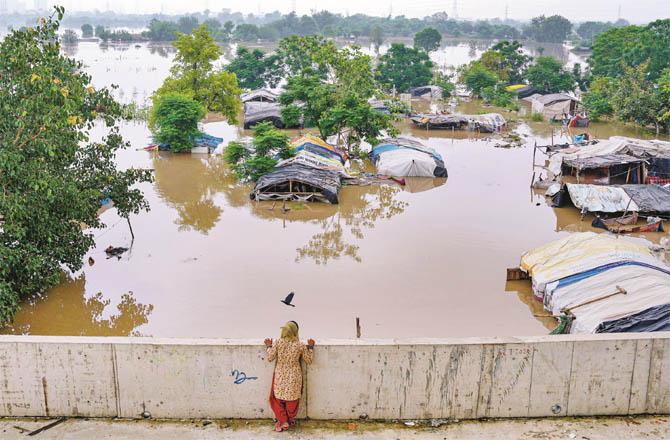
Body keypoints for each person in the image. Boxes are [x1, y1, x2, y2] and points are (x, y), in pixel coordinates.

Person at [264, 321, 314, 432]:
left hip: (280, 375)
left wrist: (268, 346)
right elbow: (309, 360)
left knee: (276, 399)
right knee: (292, 399)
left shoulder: (278, 342)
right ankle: (290, 419)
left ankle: (283, 421)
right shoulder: (300, 345)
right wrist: (310, 347)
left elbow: (270, 357)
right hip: (294, 376)